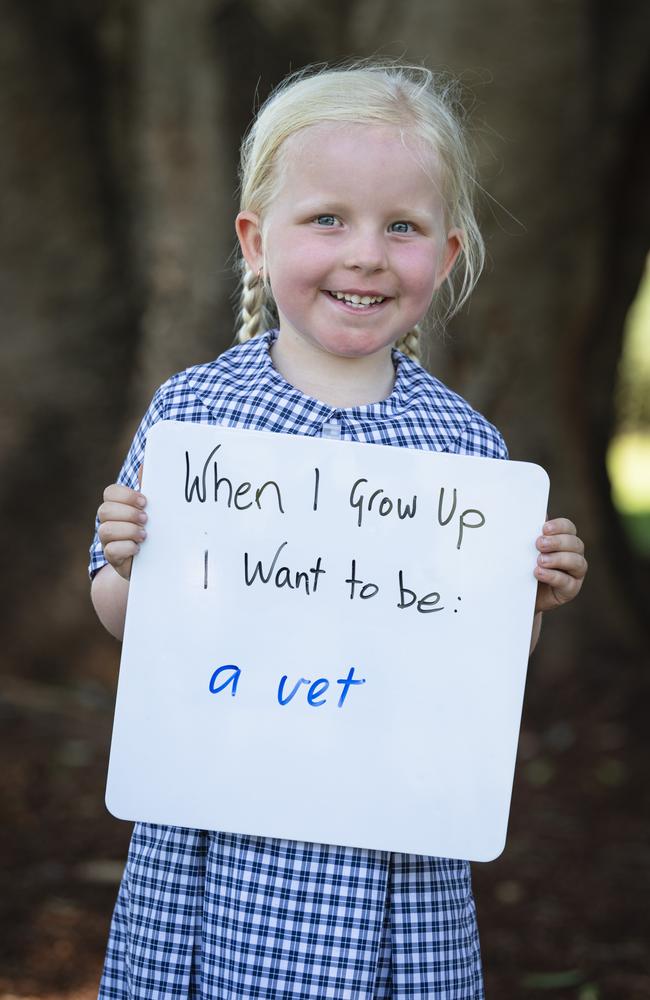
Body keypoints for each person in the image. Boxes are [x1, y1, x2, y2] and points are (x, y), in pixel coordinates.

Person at [89, 62, 587, 999]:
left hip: (391, 856)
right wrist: (127, 562)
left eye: (400, 227)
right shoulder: (198, 416)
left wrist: (533, 598)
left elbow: (473, 658)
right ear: (256, 242)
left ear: (443, 256)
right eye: (328, 219)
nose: (366, 254)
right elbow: (121, 620)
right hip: (218, 847)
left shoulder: (465, 448)